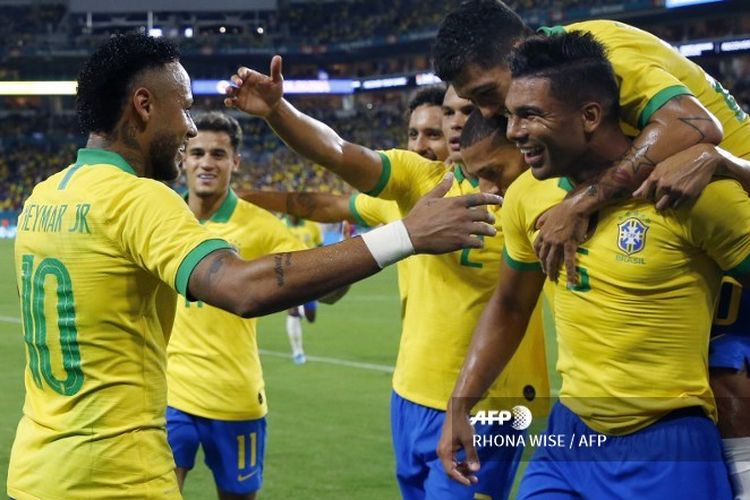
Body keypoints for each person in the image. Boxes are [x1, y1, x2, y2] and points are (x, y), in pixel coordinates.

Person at [8, 33, 500, 499]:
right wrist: (406, 235)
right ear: (143, 105)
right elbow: (242, 289)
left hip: (37, 468)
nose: (191, 126)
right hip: (115, 473)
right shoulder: (139, 199)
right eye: (184, 108)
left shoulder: (45, 196)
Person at [433, 2, 750, 493]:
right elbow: (511, 304)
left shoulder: (606, 57)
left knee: (725, 372)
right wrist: (460, 402)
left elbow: (695, 125)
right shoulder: (531, 192)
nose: (495, 117)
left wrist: (581, 202)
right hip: (573, 435)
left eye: (486, 95)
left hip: (723, 181)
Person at [224, 57, 549, 500]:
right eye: (448, 113)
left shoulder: (542, 192)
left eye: (466, 112)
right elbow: (337, 157)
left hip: (490, 404)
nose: (455, 124)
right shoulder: (420, 183)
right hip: (409, 393)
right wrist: (276, 115)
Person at [166, 111, 314, 499]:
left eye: (218, 154)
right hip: (169, 394)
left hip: (234, 395)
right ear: (183, 157)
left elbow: (316, 280)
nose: (206, 163)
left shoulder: (261, 226)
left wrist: (370, 248)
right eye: (196, 152)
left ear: (236, 161)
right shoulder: (162, 217)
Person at [240, 85, 452, 315]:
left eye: (433, 135)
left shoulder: (487, 192)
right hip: (412, 352)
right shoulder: (402, 194)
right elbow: (326, 205)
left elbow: (335, 153)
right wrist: (247, 197)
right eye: (413, 134)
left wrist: (276, 110)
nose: (418, 146)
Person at [283, 214, 323, 364]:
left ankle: (301, 310)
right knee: (292, 312)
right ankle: (297, 352)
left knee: (311, 316)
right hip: (289, 277)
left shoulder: (312, 225)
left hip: (310, 277)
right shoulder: (279, 225)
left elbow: (320, 248)